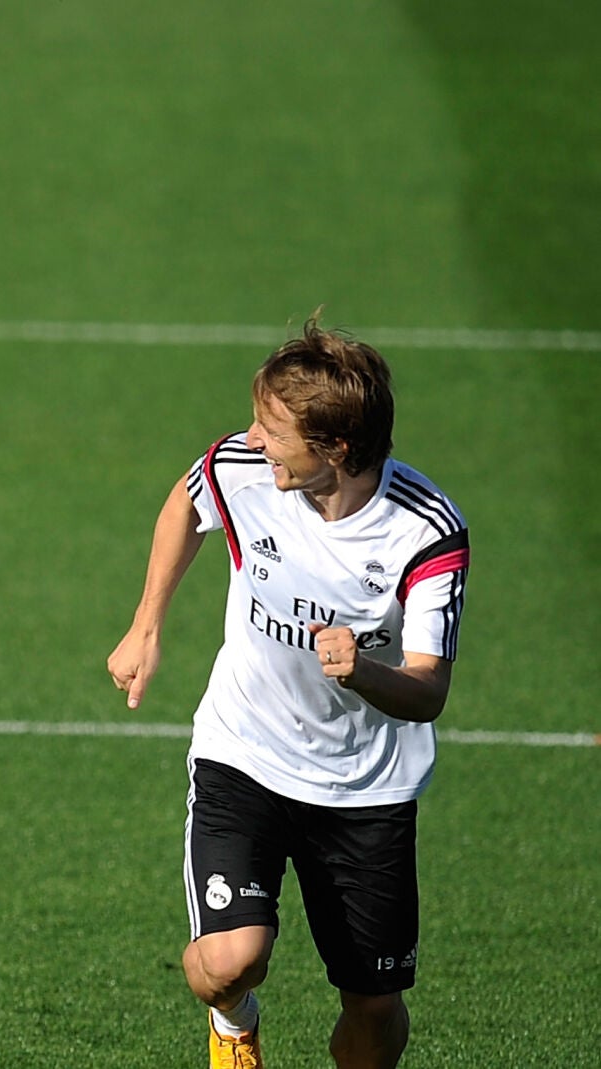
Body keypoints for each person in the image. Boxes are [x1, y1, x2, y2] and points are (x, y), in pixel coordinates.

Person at [107, 317, 469, 1069]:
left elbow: (429, 689)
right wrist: (146, 624)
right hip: (245, 751)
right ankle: (234, 1024)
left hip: (366, 786)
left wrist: (363, 671)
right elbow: (187, 503)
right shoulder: (243, 467)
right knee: (226, 963)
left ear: (335, 447)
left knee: (373, 1010)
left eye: (273, 430)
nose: (252, 439)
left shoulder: (425, 533)